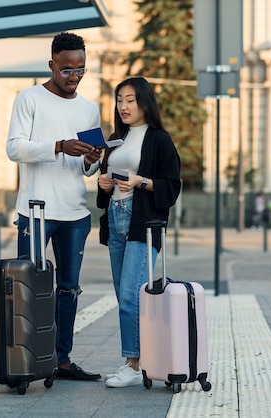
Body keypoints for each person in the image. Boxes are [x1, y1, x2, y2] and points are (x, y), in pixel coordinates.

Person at [6, 32, 102, 381]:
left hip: (75, 213)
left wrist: (92, 158)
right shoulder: (29, 99)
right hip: (36, 211)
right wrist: (60, 145)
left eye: (80, 70)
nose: (73, 77)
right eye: (66, 70)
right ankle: (26, 358)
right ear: (51, 65)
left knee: (69, 289)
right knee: (28, 286)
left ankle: (62, 359)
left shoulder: (89, 109)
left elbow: (89, 167)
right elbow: (15, 148)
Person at [96, 77, 181, 388]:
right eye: (119, 100)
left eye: (130, 100)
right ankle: (142, 359)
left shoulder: (159, 140)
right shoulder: (116, 139)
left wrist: (139, 181)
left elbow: (171, 187)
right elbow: (108, 181)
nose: (123, 106)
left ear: (145, 103)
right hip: (116, 219)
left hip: (142, 222)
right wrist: (104, 183)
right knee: (124, 296)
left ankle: (132, 364)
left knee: (132, 295)